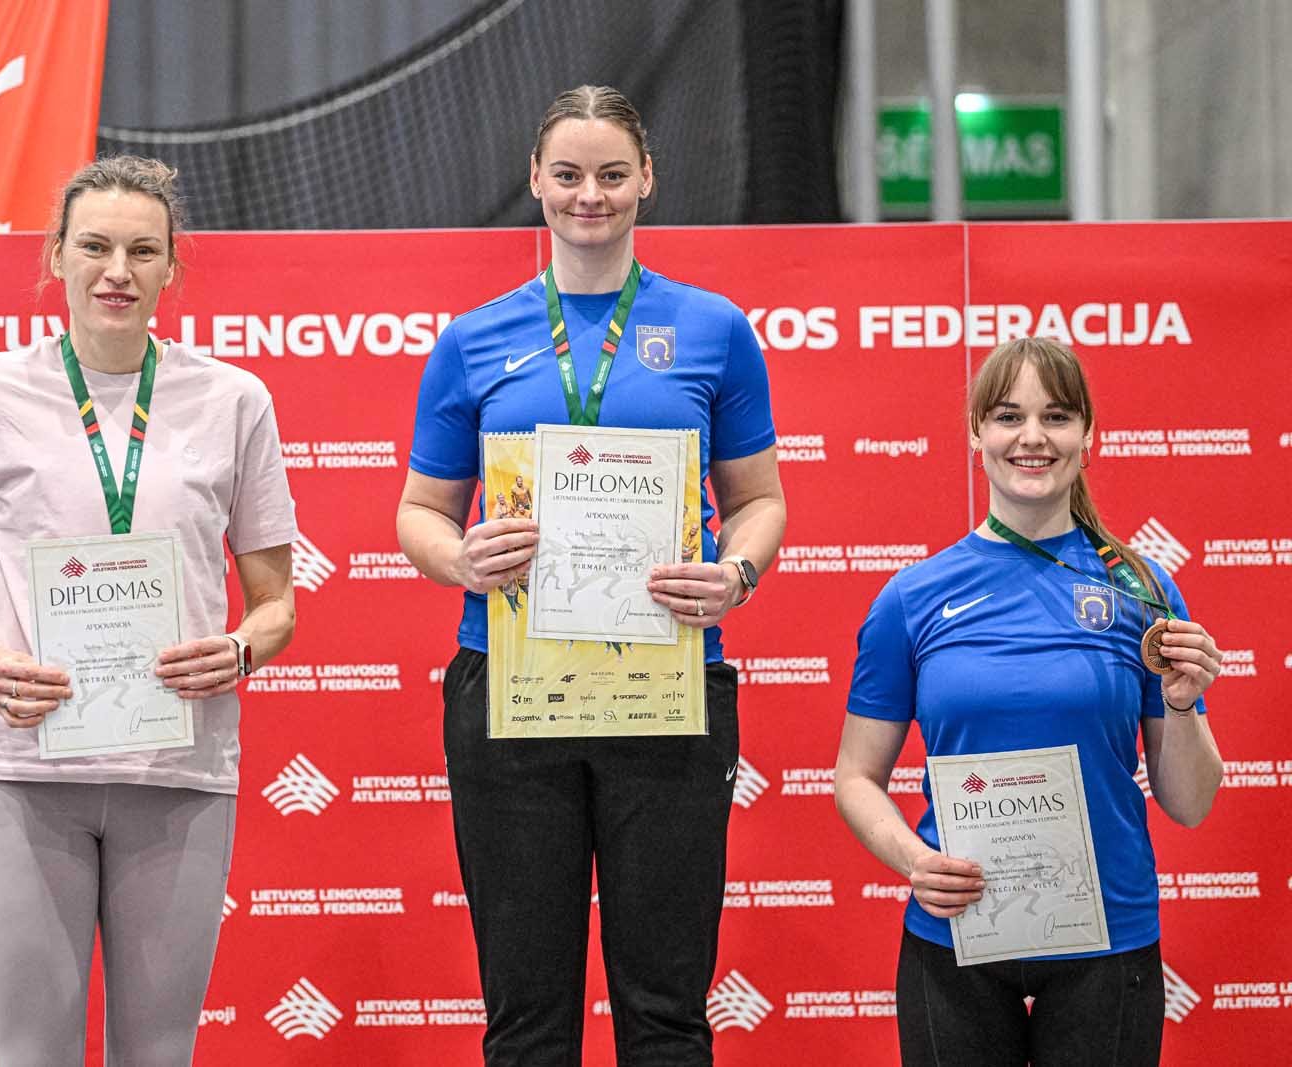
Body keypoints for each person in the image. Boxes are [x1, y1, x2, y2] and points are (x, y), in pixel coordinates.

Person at [396, 85, 786, 1066]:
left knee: (666, 1013)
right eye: (567, 174)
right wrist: (461, 559)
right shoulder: (473, 338)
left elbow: (760, 500)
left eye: (612, 174)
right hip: (511, 686)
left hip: (667, 684)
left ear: (647, 178)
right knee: (527, 1016)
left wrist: (735, 573)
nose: (590, 195)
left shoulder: (714, 328)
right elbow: (420, 512)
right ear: (535, 179)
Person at [0, 156, 297, 1066]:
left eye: (143, 251)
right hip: (25, 770)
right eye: (96, 247)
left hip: (180, 770)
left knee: (158, 1055)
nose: (118, 270)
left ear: (172, 268)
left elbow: (276, 605)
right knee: (32, 1053)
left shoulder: (236, 399)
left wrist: (239, 650)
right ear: (57, 256)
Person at [834, 337, 1223, 1066]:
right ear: (975, 433)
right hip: (957, 931)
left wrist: (1181, 705)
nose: (1033, 437)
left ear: (1088, 434)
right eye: (1009, 416)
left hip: (1109, 936)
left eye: (1057, 416)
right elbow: (855, 776)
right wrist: (914, 860)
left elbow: (1191, 803)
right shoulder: (912, 598)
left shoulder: (1142, 589)